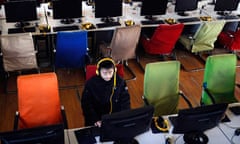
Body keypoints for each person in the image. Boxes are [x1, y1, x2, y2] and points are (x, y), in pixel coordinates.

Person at [81, 57, 131, 127]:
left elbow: (125, 101)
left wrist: (123, 117)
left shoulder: (120, 81)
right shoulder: (91, 83)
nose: (108, 76)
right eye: (104, 73)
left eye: (110, 72)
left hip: (115, 118)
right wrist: (95, 119)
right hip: (97, 118)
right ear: (98, 72)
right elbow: (86, 104)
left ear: (115, 70)